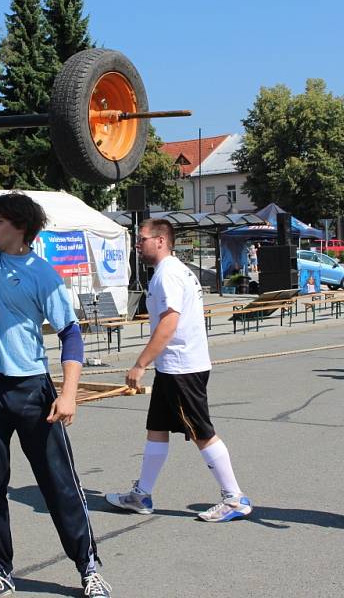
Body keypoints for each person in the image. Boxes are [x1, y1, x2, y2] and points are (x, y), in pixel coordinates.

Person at [0, 117, 111, 598]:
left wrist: (70, 393)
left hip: (30, 390)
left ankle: (89, 568)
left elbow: (71, 335)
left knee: (59, 484)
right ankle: (0, 572)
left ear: (21, 230)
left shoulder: (44, 275)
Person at [105, 218, 252, 522]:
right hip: (174, 367)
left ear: (160, 240)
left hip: (182, 368)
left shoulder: (167, 275)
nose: (137, 245)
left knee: (201, 432)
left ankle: (234, 498)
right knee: (157, 428)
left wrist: (140, 364)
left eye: (141, 239)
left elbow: (170, 324)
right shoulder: (172, 271)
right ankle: (141, 495)